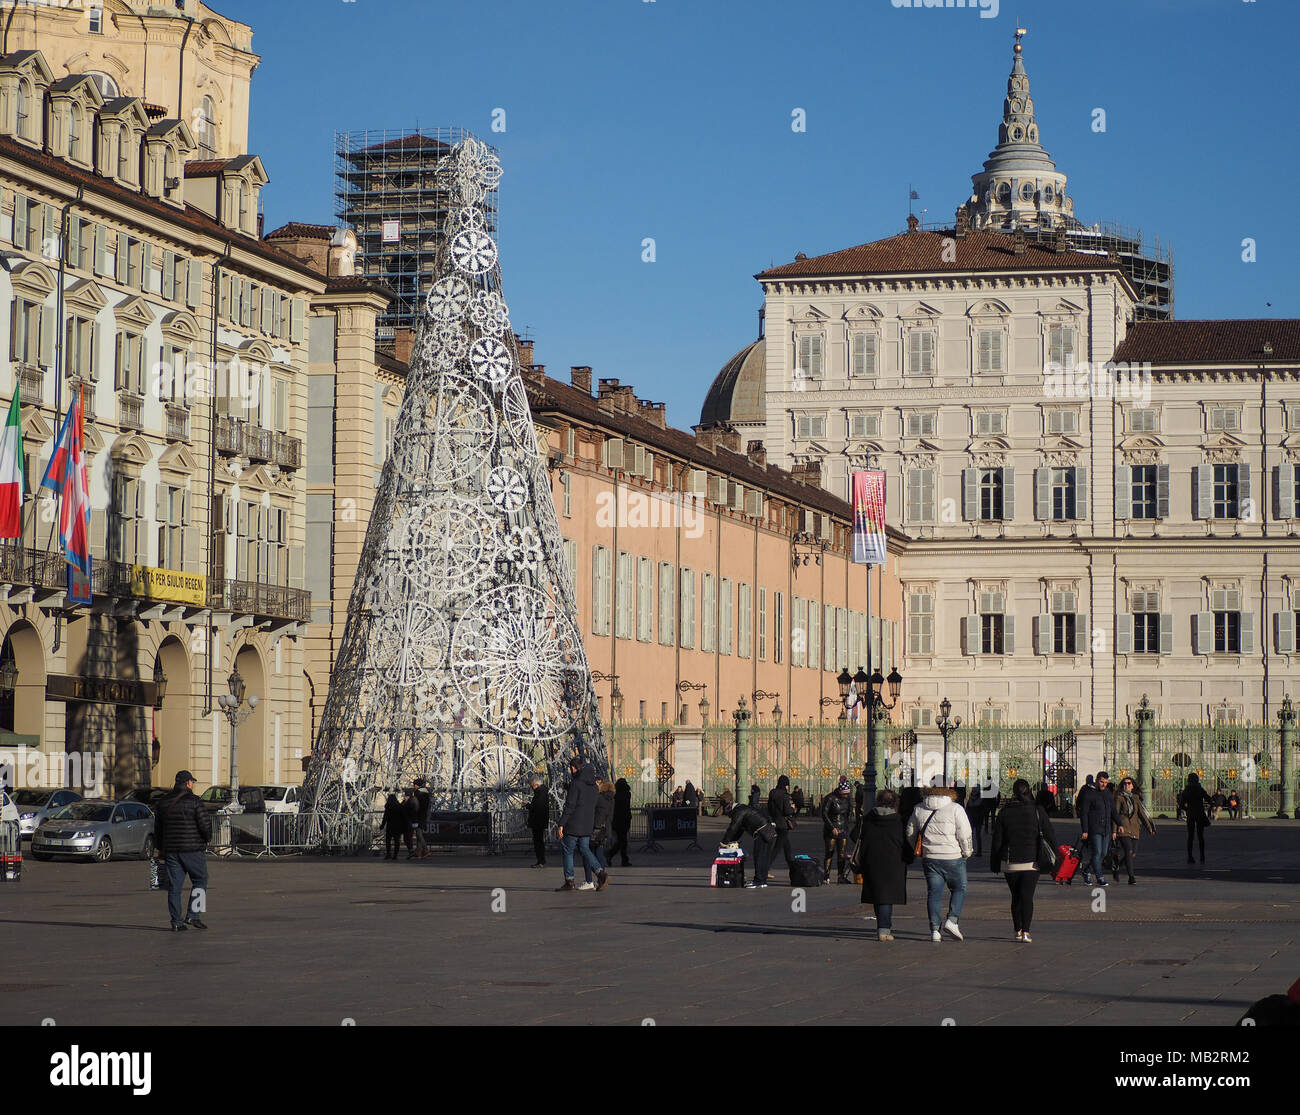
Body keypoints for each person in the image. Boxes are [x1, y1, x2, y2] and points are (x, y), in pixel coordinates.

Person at [906, 785, 973, 942]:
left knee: (934, 893)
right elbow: (964, 833)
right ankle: (952, 920)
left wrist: (919, 848)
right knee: (959, 888)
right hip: (953, 856)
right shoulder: (956, 808)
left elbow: (910, 832)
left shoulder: (919, 808)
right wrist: (967, 851)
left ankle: (935, 930)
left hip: (930, 857)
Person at [990, 778, 1055, 943]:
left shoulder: (1005, 812)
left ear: (1013, 792)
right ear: (1029, 792)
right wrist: (1056, 859)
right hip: (1031, 861)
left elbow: (997, 839)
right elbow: (1050, 836)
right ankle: (1026, 931)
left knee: (1016, 896)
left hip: (1010, 861)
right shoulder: (1037, 811)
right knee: (1027, 897)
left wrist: (995, 861)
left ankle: (1017, 929)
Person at [153, 770, 212, 932]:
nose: (193, 784)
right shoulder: (195, 801)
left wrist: (160, 848)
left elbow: (158, 828)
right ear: (187, 783)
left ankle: (176, 921)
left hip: (171, 851)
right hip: (193, 849)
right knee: (200, 880)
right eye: (192, 782)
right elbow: (205, 825)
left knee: (174, 887)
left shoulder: (163, 802)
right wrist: (207, 839)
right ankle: (194, 915)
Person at [856, 788, 911, 941]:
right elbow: (907, 843)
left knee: (878, 894)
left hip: (871, 860)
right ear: (895, 803)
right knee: (886, 896)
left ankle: (882, 926)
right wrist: (909, 858)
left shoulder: (868, 818)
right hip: (894, 862)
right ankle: (884, 929)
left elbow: (855, 835)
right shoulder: (899, 820)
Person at [555, 756, 605, 892]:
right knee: (585, 849)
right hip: (587, 825)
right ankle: (601, 873)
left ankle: (569, 881)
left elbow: (570, 806)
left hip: (573, 824)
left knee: (568, 850)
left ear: (573, 768)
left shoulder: (576, 784)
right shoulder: (594, 786)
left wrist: (561, 824)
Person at [720, 799, 777, 888]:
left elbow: (733, 828)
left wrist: (724, 843)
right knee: (764, 858)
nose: (731, 817)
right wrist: (731, 841)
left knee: (759, 857)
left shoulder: (739, 811)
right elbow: (739, 830)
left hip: (762, 833)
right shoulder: (743, 808)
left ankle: (758, 881)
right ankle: (763, 881)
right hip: (770, 831)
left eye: (730, 815)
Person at [1111, 776, 1156, 884]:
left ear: (1133, 786)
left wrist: (1149, 827)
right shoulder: (1119, 797)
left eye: (1129, 783)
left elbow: (1141, 814)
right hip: (1123, 827)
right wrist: (1114, 830)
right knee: (1128, 850)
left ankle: (1116, 866)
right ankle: (1131, 877)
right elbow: (1115, 814)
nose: (1127, 785)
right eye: (1125, 783)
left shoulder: (1136, 798)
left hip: (1135, 828)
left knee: (1132, 854)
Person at [1079, 770, 1119, 886]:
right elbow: (1084, 813)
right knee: (1097, 852)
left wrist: (1119, 824)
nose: (1104, 784)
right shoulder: (1089, 793)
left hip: (1106, 828)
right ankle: (1099, 877)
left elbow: (1113, 811)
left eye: (1106, 782)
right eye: (1102, 782)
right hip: (1094, 828)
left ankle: (1086, 871)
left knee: (1103, 853)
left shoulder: (1107, 793)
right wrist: (1085, 830)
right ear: (1097, 780)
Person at [583, 779, 615, 890]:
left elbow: (591, 811)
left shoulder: (599, 798)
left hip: (595, 829)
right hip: (605, 830)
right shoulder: (611, 799)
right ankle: (602, 877)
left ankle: (590, 880)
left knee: (587, 854)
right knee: (599, 854)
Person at [820, 775, 853, 883]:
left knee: (842, 854)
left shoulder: (847, 799)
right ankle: (826, 875)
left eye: (847, 793)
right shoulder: (830, 798)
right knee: (829, 852)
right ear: (840, 791)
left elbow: (849, 812)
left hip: (842, 828)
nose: (846, 795)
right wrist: (832, 827)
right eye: (845, 793)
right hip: (831, 829)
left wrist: (846, 824)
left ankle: (840, 876)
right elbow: (824, 813)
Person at [1177, 772, 1212, 865]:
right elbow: (1209, 799)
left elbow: (1181, 805)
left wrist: (1188, 809)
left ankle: (1190, 856)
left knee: (1190, 836)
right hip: (1200, 813)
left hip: (1190, 814)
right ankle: (1202, 856)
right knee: (1201, 836)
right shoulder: (1200, 789)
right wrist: (1207, 807)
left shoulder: (1186, 791)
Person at [767, 775, 797, 871]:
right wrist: (792, 808)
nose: (788, 787)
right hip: (783, 824)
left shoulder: (772, 793)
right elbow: (787, 811)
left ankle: (791, 866)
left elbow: (769, 809)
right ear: (785, 785)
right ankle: (766, 868)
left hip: (775, 821)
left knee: (787, 846)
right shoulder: (785, 795)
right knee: (777, 848)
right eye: (788, 785)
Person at [607, 777, 632, 867]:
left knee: (621, 841)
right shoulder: (627, 794)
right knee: (622, 841)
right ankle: (612, 855)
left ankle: (621, 858)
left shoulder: (615, 795)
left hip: (617, 820)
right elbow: (626, 809)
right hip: (624, 820)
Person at [527, 776, 549, 868]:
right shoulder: (542, 792)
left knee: (538, 842)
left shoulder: (540, 793)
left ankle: (540, 861)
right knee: (539, 841)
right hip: (540, 821)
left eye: (532, 786)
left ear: (536, 785)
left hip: (538, 821)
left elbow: (537, 807)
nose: (532, 788)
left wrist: (528, 805)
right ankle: (540, 860)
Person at [380, 793, 406, 861]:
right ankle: (395, 855)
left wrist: (382, 825)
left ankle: (388, 853)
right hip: (398, 826)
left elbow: (385, 817)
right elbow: (403, 816)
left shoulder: (388, 807)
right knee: (397, 841)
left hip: (390, 826)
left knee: (388, 840)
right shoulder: (399, 806)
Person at [412, 777, 431, 859]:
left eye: (414, 785)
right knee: (419, 832)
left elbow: (416, 804)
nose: (414, 786)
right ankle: (418, 851)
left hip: (418, 815)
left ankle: (425, 849)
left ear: (417, 785)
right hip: (424, 815)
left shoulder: (417, 793)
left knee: (418, 833)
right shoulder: (426, 793)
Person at [400, 790, 420, 859]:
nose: (405, 797)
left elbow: (404, 809)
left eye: (406, 796)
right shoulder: (412, 801)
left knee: (407, 837)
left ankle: (412, 851)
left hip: (409, 822)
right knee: (409, 837)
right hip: (411, 822)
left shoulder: (410, 802)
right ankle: (414, 851)